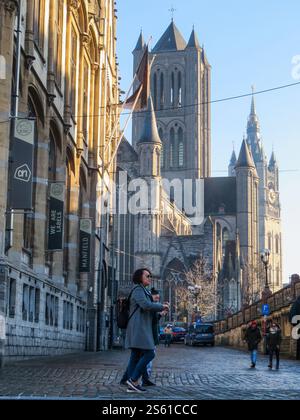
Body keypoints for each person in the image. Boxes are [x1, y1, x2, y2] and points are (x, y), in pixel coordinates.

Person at [124, 269, 169, 393]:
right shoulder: (138, 290)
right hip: (139, 328)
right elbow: (146, 305)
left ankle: (131, 385)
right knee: (150, 353)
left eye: (150, 276)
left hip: (140, 327)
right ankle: (133, 380)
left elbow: (147, 310)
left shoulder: (144, 290)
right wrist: (162, 306)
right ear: (140, 277)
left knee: (135, 356)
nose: (150, 278)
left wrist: (160, 313)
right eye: (147, 276)